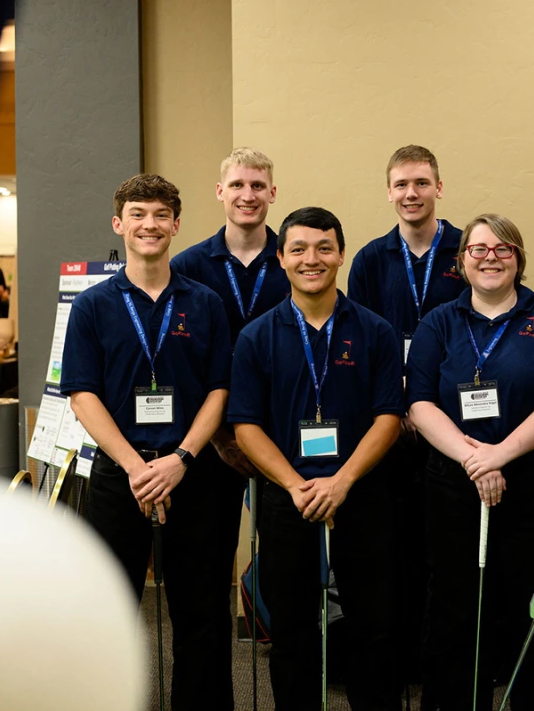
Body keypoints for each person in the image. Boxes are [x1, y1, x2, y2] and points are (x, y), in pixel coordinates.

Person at [60, 174, 233, 711]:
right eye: (138, 214)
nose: (149, 225)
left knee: (201, 614)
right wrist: (138, 467)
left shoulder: (205, 303)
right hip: (120, 477)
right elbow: (82, 395)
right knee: (109, 611)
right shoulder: (93, 306)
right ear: (119, 224)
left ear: (176, 225)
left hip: (192, 474)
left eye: (160, 215)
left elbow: (220, 390)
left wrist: (180, 458)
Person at [406, 214, 534, 711]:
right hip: (454, 487)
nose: (491, 257)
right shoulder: (438, 322)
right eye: (479, 249)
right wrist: (475, 460)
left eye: (503, 248)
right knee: (455, 608)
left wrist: (498, 456)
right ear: (461, 260)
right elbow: (419, 402)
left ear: (518, 258)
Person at [229, 207, 403, 711]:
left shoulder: (375, 331)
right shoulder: (257, 336)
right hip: (289, 500)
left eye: (325, 248)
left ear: (341, 254)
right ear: (280, 257)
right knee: (291, 632)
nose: (312, 259)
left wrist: (341, 482)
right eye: (299, 249)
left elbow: (389, 417)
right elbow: (246, 426)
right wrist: (294, 484)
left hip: (361, 494)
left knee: (374, 629)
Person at [169, 147, 290, 692]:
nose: (248, 195)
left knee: (288, 577)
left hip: (280, 440)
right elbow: (182, 362)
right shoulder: (188, 266)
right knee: (204, 580)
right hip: (211, 443)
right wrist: (219, 436)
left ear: (272, 193)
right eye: (237, 185)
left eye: (258, 185)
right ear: (220, 192)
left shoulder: (294, 259)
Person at [346, 144, 466, 685]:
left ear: (439, 187)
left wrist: (428, 403)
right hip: (391, 420)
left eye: (421, 183)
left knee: (444, 546)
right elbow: (361, 340)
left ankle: (442, 662)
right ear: (389, 192)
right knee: (393, 545)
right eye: (401, 184)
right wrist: (402, 401)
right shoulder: (371, 260)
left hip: (452, 418)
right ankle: (395, 662)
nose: (411, 193)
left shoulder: (467, 249)